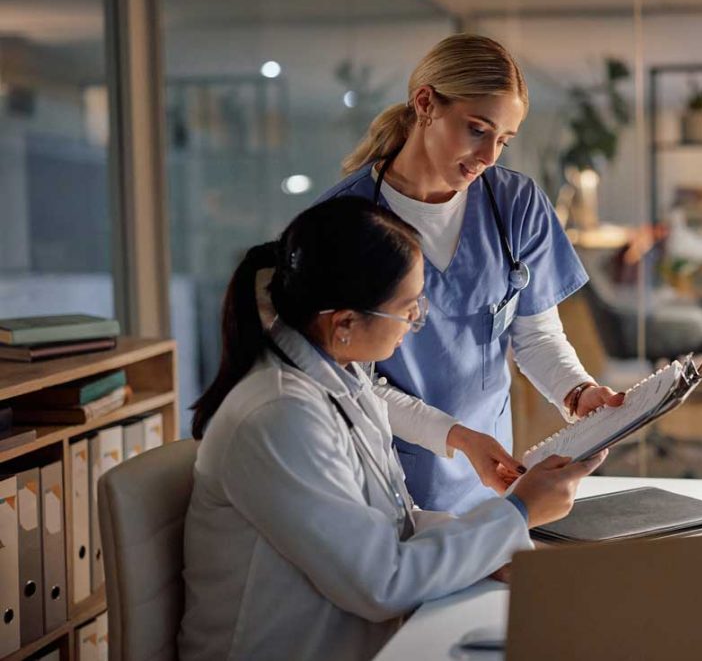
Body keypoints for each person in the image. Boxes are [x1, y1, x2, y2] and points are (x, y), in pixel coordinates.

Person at [178, 197, 605, 661]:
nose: (416, 322)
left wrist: (494, 547)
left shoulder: (342, 378)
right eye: (408, 309)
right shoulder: (279, 416)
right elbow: (382, 581)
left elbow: (390, 526)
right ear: (343, 323)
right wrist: (517, 513)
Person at [315, 33, 623, 514]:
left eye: (503, 140)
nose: (489, 157)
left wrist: (577, 391)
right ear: (425, 104)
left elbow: (536, 337)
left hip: (492, 477)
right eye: (477, 129)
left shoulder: (514, 204)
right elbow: (354, 380)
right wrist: (456, 437)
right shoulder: (345, 222)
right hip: (386, 481)